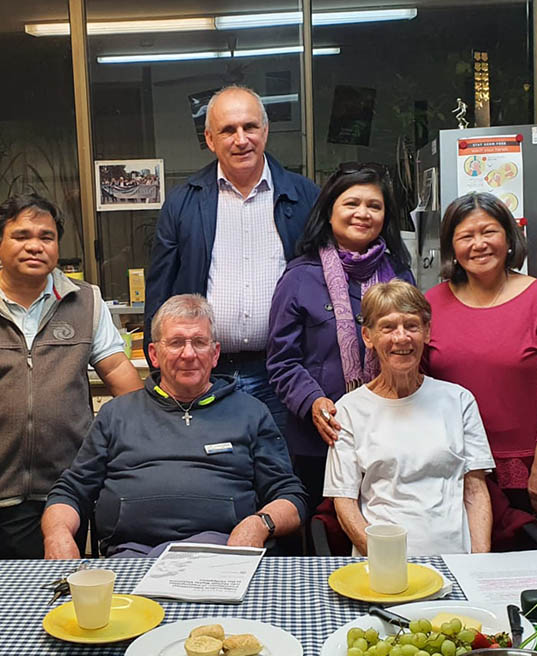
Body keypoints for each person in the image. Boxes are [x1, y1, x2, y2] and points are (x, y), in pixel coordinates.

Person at [0, 193, 142, 559]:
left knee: (61, 589)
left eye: (46, 236)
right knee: (0, 597)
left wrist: (149, 438)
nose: (34, 246)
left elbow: (118, 369)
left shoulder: (86, 301)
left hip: (68, 485)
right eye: (21, 236)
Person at [42, 294, 307, 559]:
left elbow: (290, 497)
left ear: (215, 354)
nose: (189, 354)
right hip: (131, 556)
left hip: (222, 554)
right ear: (154, 355)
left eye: (199, 343)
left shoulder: (250, 412)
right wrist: (57, 535)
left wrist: (258, 525)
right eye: (177, 343)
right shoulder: (116, 414)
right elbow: (71, 491)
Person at [145, 85, 320, 431]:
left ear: (265, 131)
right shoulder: (182, 203)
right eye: (228, 130)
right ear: (210, 139)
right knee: (213, 475)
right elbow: (160, 291)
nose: (241, 139)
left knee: (283, 475)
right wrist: (161, 370)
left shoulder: (304, 197)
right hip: (205, 374)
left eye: (250, 127)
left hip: (283, 374)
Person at [425, 193, 537, 548]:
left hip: (527, 470)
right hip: (453, 469)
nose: (479, 244)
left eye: (489, 232)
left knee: (528, 573)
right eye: (466, 236)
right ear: (452, 246)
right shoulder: (432, 303)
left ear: (508, 238)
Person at [267, 164, 415, 518]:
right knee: (325, 531)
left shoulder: (399, 275)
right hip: (321, 437)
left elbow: (413, 345)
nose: (362, 213)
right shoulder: (300, 277)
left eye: (374, 206)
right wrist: (314, 401)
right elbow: (282, 361)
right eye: (351, 203)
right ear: (329, 211)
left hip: (391, 432)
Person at [324, 282, 493, 556]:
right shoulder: (349, 410)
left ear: (426, 332)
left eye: (412, 326)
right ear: (368, 336)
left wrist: (479, 561)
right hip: (381, 565)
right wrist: (386, 561)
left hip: (455, 561)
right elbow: (344, 503)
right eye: (388, 327)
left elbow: (474, 491)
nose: (401, 337)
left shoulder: (459, 401)